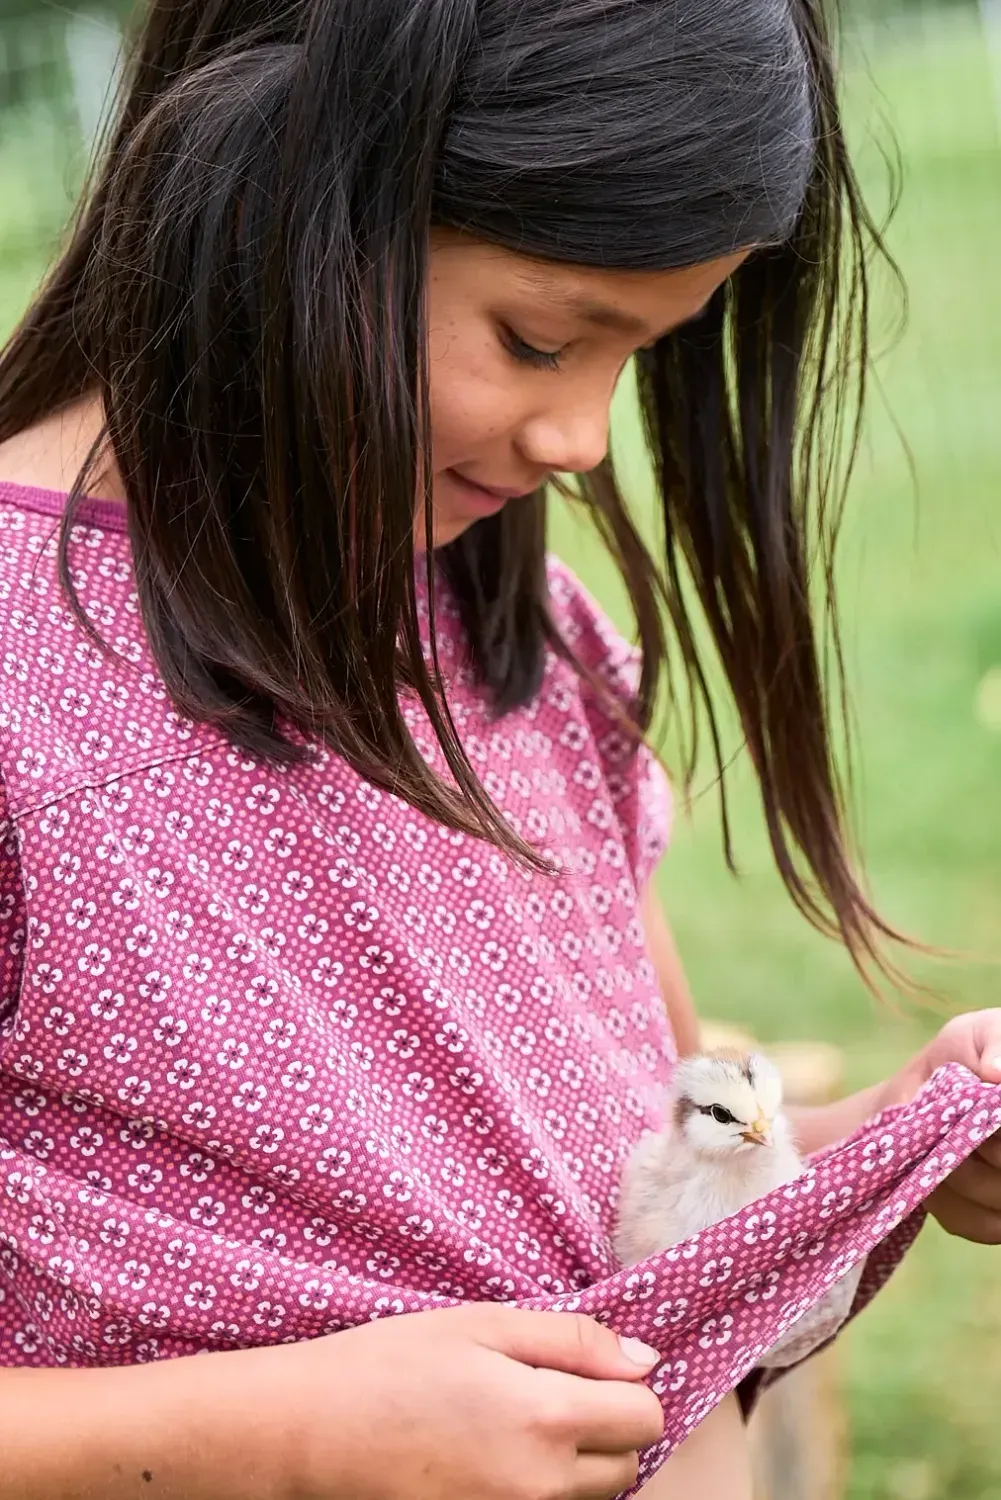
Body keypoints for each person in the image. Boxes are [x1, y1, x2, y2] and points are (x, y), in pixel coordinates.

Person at [0, 0, 999, 1495]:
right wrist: (283, 1438)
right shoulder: (26, 681)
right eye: (539, 339)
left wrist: (872, 1152)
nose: (583, 438)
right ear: (273, 190)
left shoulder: (513, 626)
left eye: (639, 358)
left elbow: (611, 1182)